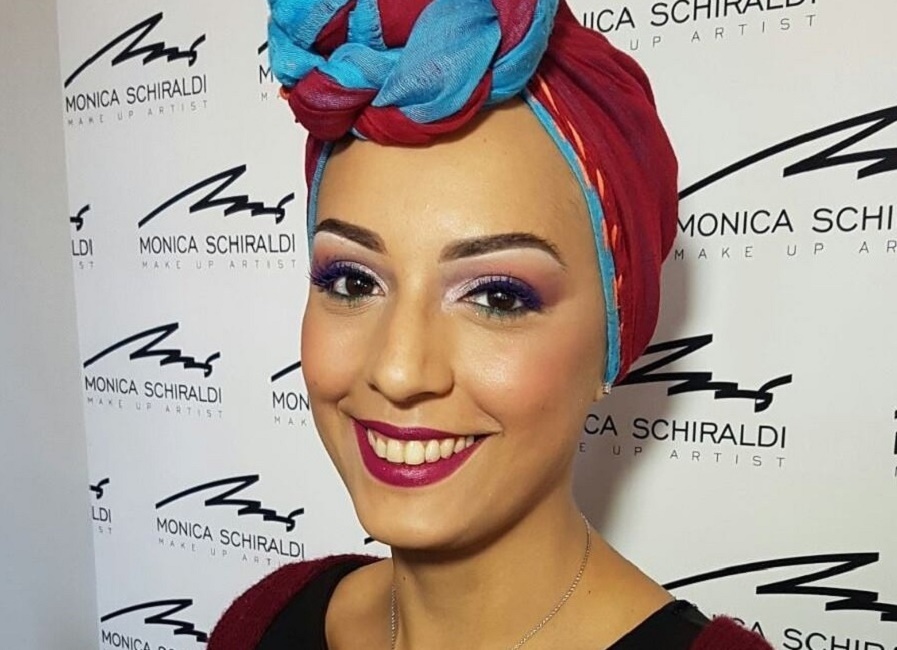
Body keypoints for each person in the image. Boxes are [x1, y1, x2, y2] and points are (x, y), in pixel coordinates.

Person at [209, 1, 773, 648]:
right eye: (352, 282)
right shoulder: (266, 620)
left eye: (498, 297)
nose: (398, 370)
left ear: (613, 341)